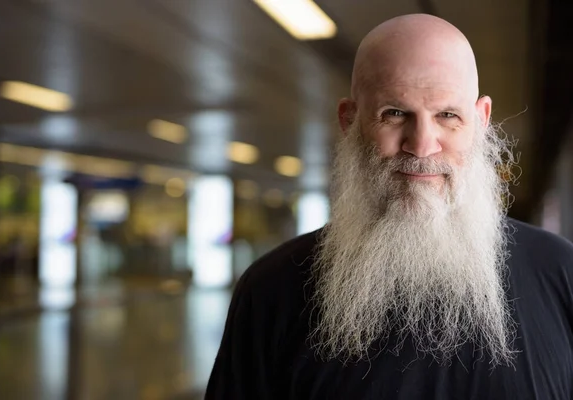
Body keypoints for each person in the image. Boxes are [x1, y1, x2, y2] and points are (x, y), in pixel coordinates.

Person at [205, 14, 573, 399]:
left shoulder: (560, 272)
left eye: (448, 116)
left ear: (480, 120)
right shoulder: (270, 290)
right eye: (395, 114)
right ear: (350, 120)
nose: (422, 144)